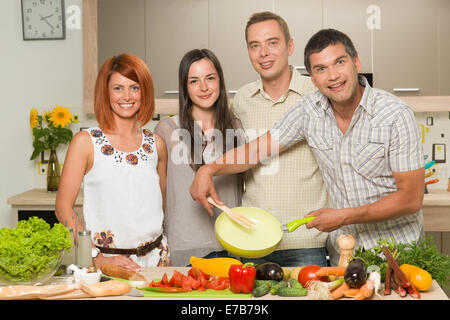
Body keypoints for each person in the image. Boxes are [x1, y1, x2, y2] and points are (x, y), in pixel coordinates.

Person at [190, 28, 425, 267]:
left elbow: (410, 199)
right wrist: (208, 169)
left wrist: (343, 215)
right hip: (344, 255)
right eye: (321, 69)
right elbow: (257, 150)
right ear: (312, 79)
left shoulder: (395, 115)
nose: (332, 75)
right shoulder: (309, 110)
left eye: (339, 62)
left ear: (356, 62)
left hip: (398, 253)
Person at [231, 11, 329, 267]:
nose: (264, 53)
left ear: (290, 46)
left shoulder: (317, 93)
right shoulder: (242, 99)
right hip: (253, 240)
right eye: (255, 45)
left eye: (272, 43)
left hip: (306, 242)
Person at [55, 53, 170, 271]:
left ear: (144, 92)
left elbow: (161, 208)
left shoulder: (157, 144)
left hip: (158, 262)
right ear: (105, 93)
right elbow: (62, 208)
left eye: (134, 87)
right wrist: (96, 258)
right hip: (107, 264)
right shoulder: (85, 142)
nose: (127, 96)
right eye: (118, 88)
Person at [154, 49, 246, 266]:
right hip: (184, 247)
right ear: (185, 88)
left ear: (220, 82)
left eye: (210, 78)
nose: (204, 87)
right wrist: (162, 245)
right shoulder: (166, 130)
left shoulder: (237, 128)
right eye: (194, 81)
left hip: (231, 244)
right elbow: (160, 194)